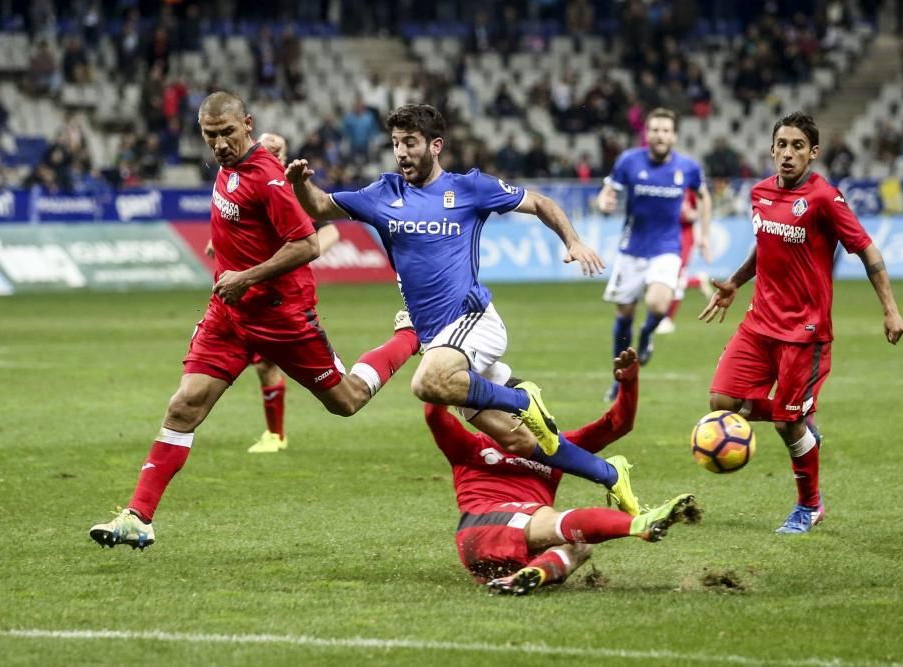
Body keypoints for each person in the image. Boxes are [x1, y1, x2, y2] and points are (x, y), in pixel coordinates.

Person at [89, 92, 421, 549]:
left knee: (346, 401)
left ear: (246, 124)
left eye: (228, 133)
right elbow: (241, 225)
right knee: (184, 405)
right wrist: (224, 253)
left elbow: (306, 244)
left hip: (281, 315)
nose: (221, 144)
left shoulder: (266, 177)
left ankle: (409, 334)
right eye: (211, 136)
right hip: (228, 313)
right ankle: (138, 517)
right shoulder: (227, 169)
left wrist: (247, 275)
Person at [286, 104, 642, 516]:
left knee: (427, 384)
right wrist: (299, 184)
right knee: (517, 442)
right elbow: (320, 206)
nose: (401, 152)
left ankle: (521, 400)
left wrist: (573, 242)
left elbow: (541, 202)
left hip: (472, 320)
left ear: (436, 146)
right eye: (396, 143)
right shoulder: (382, 193)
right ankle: (610, 475)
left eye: (411, 143)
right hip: (441, 340)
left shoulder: (470, 188)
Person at [699, 111, 903, 534]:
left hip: (804, 335)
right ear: (771, 149)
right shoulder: (759, 193)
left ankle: (809, 505)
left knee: (786, 423)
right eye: (782, 145)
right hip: (758, 326)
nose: (788, 153)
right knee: (721, 402)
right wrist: (736, 282)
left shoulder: (825, 198)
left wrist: (890, 308)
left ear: (813, 152)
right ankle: (801, 420)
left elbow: (867, 251)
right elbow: (765, 245)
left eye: (798, 146)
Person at [425, 349, 700, 595]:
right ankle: (639, 525)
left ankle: (531, 574)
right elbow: (434, 414)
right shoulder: (469, 446)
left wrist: (628, 383)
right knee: (555, 521)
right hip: (481, 524)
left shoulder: (554, 448)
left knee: (580, 547)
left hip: (498, 551)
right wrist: (445, 357)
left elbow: (617, 425)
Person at [204, 132, 341, 454]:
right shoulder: (248, 179)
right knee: (265, 366)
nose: (270, 150)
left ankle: (277, 433)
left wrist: (304, 254)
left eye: (277, 147)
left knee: (341, 396)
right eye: (266, 146)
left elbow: (327, 231)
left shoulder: (288, 188)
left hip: (281, 295)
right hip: (254, 294)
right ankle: (275, 433)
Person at [597, 107, 712, 402]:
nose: (660, 135)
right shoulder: (629, 161)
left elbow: (704, 196)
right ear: (647, 134)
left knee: (658, 305)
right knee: (624, 314)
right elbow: (608, 190)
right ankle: (619, 380)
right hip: (632, 248)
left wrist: (705, 235)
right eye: (655, 130)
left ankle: (647, 336)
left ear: (673, 135)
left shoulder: (687, 167)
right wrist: (604, 202)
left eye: (665, 130)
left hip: (666, 248)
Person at [655, 188, 713, 335]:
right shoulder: (665, 185)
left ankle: (667, 320)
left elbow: (701, 208)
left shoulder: (689, 188)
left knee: (678, 278)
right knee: (664, 277)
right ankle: (697, 281)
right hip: (666, 237)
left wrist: (691, 215)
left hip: (685, 238)